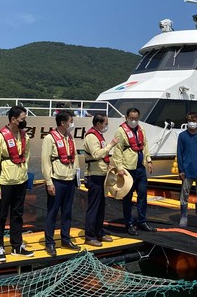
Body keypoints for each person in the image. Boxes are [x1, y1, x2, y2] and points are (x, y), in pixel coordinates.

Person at [0, 105, 34, 262]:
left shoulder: (24, 136)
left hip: (20, 180)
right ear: (13, 119)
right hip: (5, 182)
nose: (24, 121)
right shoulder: (0, 138)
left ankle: (17, 245)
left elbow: (26, 155)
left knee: (18, 214)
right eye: (22, 118)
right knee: (1, 216)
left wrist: (24, 171)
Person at [112, 107, 157, 235]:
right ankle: (129, 223)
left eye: (136, 118)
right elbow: (117, 151)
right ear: (126, 118)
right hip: (127, 169)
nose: (134, 121)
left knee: (142, 195)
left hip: (140, 168)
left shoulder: (141, 129)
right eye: (131, 118)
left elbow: (145, 145)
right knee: (128, 197)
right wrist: (119, 168)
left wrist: (148, 160)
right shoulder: (121, 131)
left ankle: (142, 221)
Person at [41, 110, 80, 257]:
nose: (72, 124)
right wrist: (49, 182)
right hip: (57, 180)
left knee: (67, 212)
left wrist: (77, 177)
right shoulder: (50, 138)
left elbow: (75, 157)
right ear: (63, 123)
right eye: (70, 121)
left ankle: (65, 238)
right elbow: (45, 162)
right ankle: (50, 243)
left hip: (70, 180)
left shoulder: (69, 137)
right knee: (52, 212)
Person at [83, 115, 119, 246]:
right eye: (105, 123)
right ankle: (89, 235)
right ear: (98, 123)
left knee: (101, 207)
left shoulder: (98, 135)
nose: (106, 126)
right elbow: (97, 154)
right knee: (94, 206)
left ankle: (98, 231)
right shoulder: (91, 137)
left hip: (102, 174)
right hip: (95, 175)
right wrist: (111, 145)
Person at [176, 111, 197, 227]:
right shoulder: (182, 136)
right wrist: (180, 170)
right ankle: (184, 216)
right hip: (187, 171)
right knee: (184, 194)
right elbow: (179, 154)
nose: (192, 123)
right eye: (190, 120)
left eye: (194, 121)